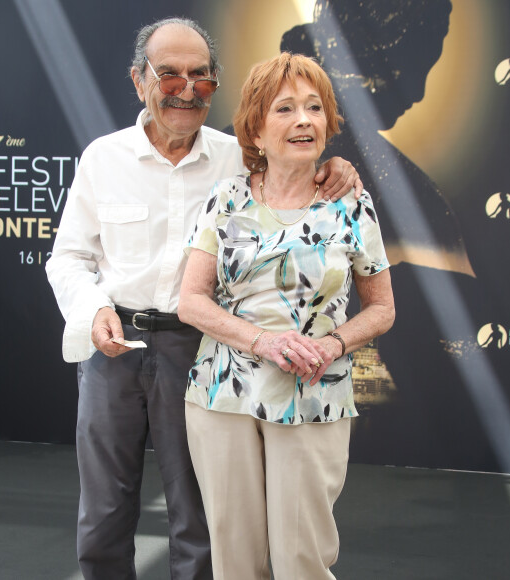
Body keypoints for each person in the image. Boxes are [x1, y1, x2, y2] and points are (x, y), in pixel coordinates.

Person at [46, 17, 362, 580]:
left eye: (202, 77)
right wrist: (92, 310)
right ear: (138, 80)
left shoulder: (239, 159)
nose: (186, 89)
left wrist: (337, 168)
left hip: (201, 351)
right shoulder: (103, 158)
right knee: (102, 512)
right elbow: (68, 256)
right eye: (169, 75)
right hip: (111, 345)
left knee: (200, 519)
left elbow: (297, 170)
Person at [178, 53, 395, 579]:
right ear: (255, 127)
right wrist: (263, 342)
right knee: (233, 554)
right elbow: (192, 300)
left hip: (315, 391)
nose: (304, 120)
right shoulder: (225, 200)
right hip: (221, 395)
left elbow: (383, 307)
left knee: (304, 557)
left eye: (314, 108)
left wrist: (333, 345)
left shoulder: (351, 205)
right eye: (286, 108)